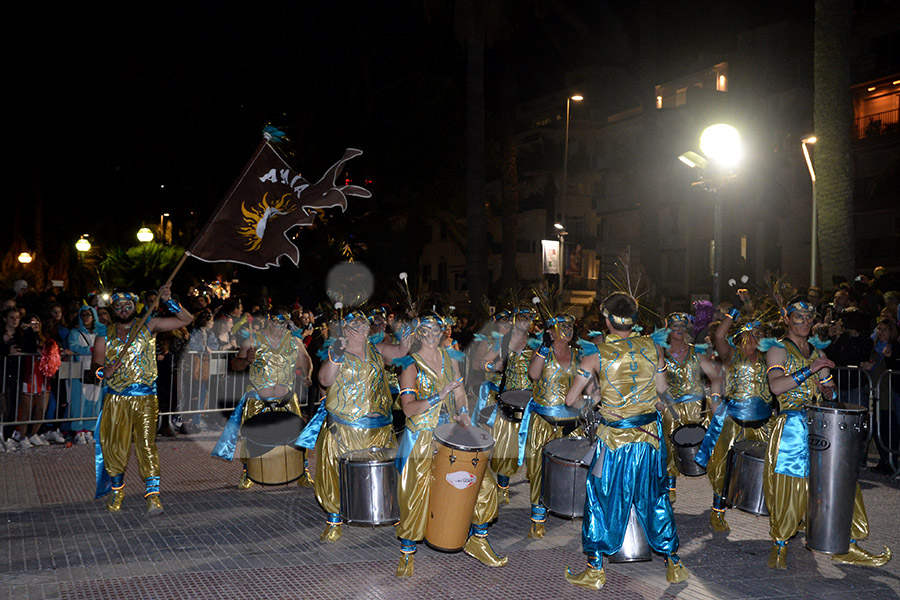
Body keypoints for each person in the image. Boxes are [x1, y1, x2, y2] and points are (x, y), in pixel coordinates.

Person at [563, 292, 688, 589]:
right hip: (647, 440)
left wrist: (593, 398)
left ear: (606, 319)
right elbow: (660, 387)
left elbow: (570, 400)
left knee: (599, 495)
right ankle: (674, 564)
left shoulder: (595, 355)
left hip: (614, 440)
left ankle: (595, 570)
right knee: (654, 497)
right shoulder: (654, 348)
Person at [763, 298, 890, 568]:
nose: (806, 322)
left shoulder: (816, 352)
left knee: (841, 482)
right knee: (792, 488)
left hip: (820, 423)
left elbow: (828, 388)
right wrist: (810, 370)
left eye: (810, 318)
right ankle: (780, 546)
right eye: (799, 317)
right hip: (792, 427)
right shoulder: (777, 350)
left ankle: (847, 544)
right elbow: (776, 388)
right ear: (786, 319)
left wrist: (827, 388)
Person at [393, 314, 506, 577]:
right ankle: (407, 553)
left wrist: (464, 411)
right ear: (418, 333)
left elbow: (458, 392)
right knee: (417, 496)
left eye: (436, 329)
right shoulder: (410, 364)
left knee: (484, 483)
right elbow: (408, 410)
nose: (432, 334)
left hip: (450, 434)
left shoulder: (448, 357)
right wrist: (437, 396)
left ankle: (477, 539)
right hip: (421, 437)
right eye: (426, 329)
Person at [295, 309, 408, 542]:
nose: (364, 328)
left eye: (366, 324)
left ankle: (385, 511)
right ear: (345, 328)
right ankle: (335, 520)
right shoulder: (337, 350)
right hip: (344, 428)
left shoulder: (377, 349)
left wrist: (405, 326)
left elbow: (402, 352)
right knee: (335, 475)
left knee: (386, 473)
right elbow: (324, 380)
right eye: (357, 324)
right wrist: (336, 355)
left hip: (378, 426)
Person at [91, 285, 193, 515]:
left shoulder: (149, 325)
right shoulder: (103, 336)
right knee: (115, 446)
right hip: (116, 399)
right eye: (119, 306)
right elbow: (93, 369)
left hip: (145, 398)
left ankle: (153, 496)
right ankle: (117, 492)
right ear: (113, 308)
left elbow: (186, 319)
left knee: (146, 445)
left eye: (128, 305)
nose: (124, 309)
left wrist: (169, 301)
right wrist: (103, 372)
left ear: (134, 306)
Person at [211, 306, 314, 489]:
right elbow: (236, 366)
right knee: (250, 437)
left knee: (298, 436)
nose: (281, 327)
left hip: (287, 397)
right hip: (258, 397)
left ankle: (302, 472)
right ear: (269, 321)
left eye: (284, 324)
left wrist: (307, 375)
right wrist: (247, 359)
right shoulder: (252, 341)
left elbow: (306, 359)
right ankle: (248, 472)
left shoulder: (294, 341)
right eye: (277, 322)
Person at [694, 307, 773, 532]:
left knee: (772, 464)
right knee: (722, 464)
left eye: (760, 333)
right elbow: (719, 336)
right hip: (733, 418)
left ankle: (773, 511)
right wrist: (733, 313)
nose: (757, 337)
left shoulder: (769, 357)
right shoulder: (731, 354)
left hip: (763, 419)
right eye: (753, 333)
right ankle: (718, 512)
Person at [521, 312, 589, 538]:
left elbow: (589, 388)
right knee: (539, 470)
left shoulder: (579, 355)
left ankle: (569, 506)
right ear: (552, 330)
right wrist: (543, 347)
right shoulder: (543, 352)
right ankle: (537, 519)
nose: (568, 330)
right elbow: (533, 374)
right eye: (563, 326)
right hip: (543, 421)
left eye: (571, 326)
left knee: (571, 470)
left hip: (572, 422)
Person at [659, 312, 721, 502]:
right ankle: (670, 487)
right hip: (672, 407)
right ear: (668, 328)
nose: (679, 330)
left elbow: (715, 377)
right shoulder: (661, 352)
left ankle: (718, 493)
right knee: (667, 443)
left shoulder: (696, 352)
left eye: (682, 326)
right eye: (674, 325)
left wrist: (716, 399)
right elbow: (655, 381)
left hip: (698, 407)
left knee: (713, 447)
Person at [488, 306, 539, 504]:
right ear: (515, 319)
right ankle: (503, 489)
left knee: (534, 448)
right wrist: (492, 366)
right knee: (504, 448)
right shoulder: (502, 341)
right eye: (522, 317)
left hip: (532, 402)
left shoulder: (538, 342)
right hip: (507, 401)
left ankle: (535, 484)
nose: (526, 321)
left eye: (529, 318)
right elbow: (479, 364)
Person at [66, 306, 106, 444]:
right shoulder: (75, 332)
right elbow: (73, 347)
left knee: (95, 400)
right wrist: (90, 350)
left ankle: (89, 429)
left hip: (96, 369)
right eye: (83, 315)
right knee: (79, 401)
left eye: (89, 314)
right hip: (80, 370)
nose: (86, 317)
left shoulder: (100, 333)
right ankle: (78, 430)